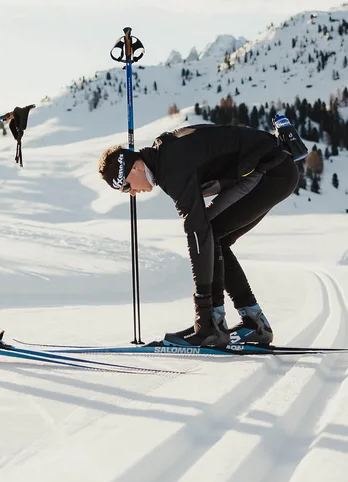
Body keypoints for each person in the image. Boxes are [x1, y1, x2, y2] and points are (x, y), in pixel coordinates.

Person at [97, 123, 299, 347]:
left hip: (273, 171)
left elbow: (197, 232)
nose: (131, 193)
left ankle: (214, 325)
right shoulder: (164, 159)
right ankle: (249, 322)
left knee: (209, 232)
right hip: (272, 169)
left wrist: (202, 312)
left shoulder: (170, 165)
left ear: (135, 167)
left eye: (125, 187)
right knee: (215, 235)